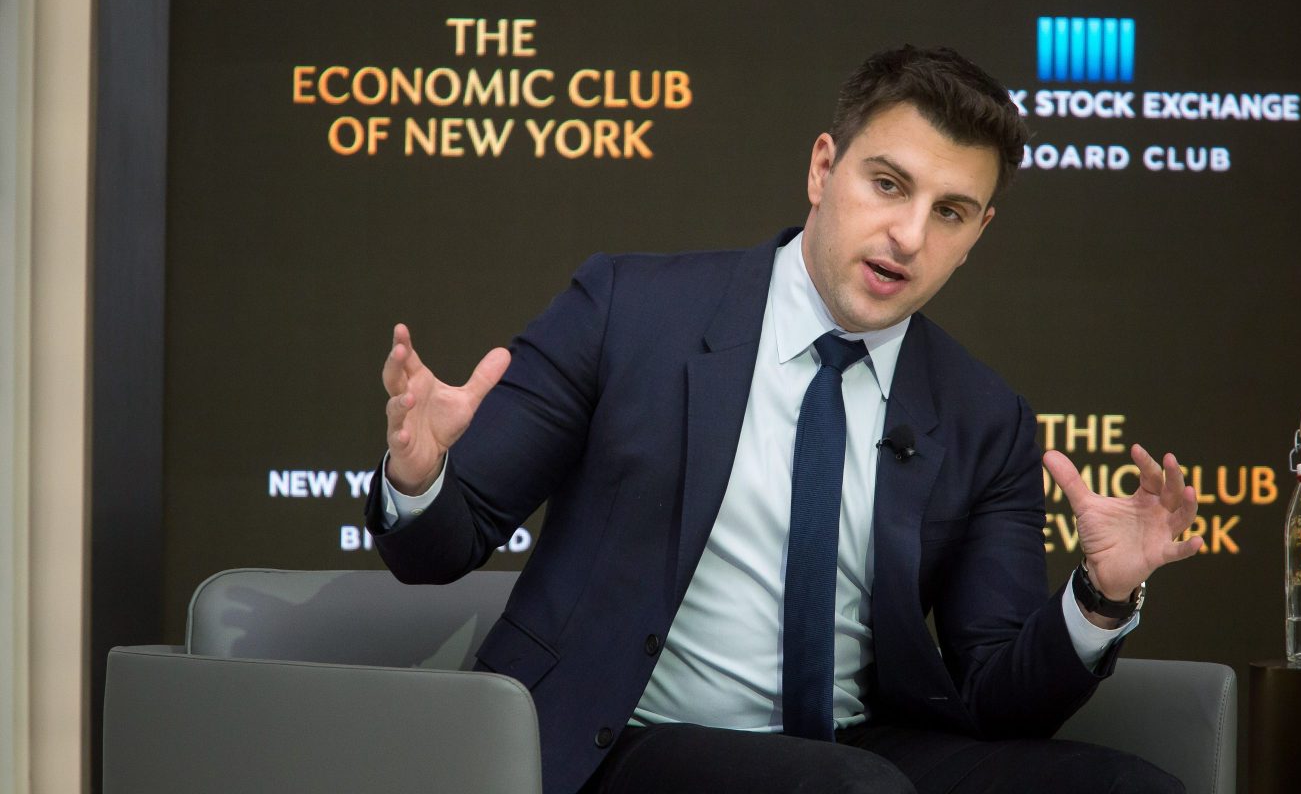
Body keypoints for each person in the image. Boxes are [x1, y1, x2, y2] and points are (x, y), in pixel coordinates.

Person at [367, 46, 1202, 794]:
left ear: (978, 232)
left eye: (949, 212)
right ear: (822, 168)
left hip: (858, 750)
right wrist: (419, 475)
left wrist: (1100, 597)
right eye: (888, 185)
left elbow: (997, 698)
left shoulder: (984, 417)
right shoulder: (631, 311)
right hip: (625, 742)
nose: (909, 235)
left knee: (1133, 789)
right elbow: (439, 547)